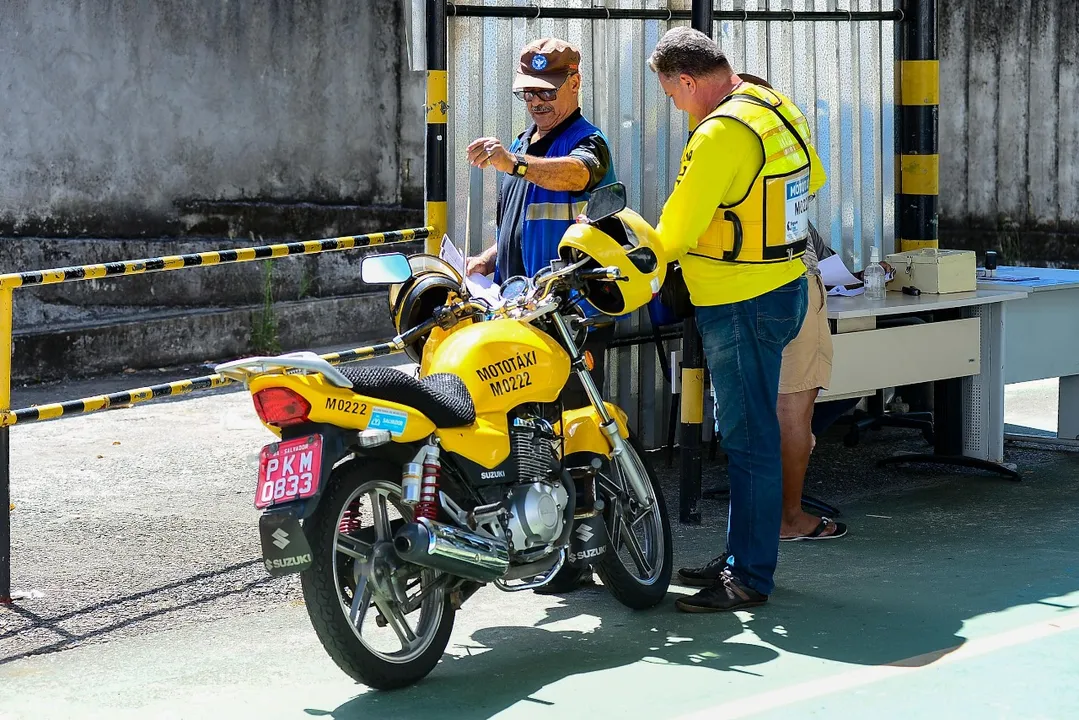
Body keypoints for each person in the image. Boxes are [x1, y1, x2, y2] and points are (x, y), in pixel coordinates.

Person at [647, 27, 825, 613]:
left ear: (689, 81)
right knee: (753, 434)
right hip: (783, 286)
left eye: (673, 96)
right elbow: (812, 182)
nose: (676, 107)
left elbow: (673, 233)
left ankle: (749, 576)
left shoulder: (719, 134)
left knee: (749, 440)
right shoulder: (773, 106)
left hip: (739, 301)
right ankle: (738, 557)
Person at [465, 37, 615, 594]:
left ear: (575, 83)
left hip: (565, 313)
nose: (538, 102)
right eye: (529, 93)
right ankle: (538, 538)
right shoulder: (528, 142)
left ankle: (581, 551)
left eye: (548, 91)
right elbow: (519, 224)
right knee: (529, 430)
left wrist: (514, 161)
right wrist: (481, 263)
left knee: (573, 429)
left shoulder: (585, 142)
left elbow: (576, 177)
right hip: (514, 311)